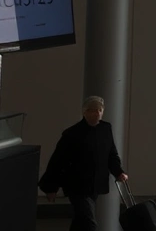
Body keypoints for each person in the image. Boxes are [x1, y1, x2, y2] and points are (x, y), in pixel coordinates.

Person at [38, 96, 129, 231]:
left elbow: (111, 154)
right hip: (76, 185)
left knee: (81, 220)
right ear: (84, 112)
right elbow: (58, 161)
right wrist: (51, 187)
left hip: (95, 183)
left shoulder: (105, 129)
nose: (97, 113)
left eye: (99, 110)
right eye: (92, 110)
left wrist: (119, 172)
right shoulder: (72, 134)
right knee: (89, 222)